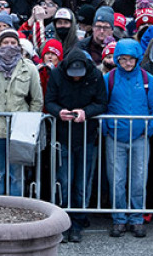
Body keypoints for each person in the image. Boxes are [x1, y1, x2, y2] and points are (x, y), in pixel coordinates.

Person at [102, 38, 153, 239]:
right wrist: (107, 130)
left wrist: (148, 130)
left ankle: (137, 218)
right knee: (116, 180)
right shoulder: (109, 78)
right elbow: (102, 106)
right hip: (116, 137)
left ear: (137, 59)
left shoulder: (148, 79)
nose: (128, 64)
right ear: (117, 59)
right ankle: (119, 219)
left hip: (140, 138)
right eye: (123, 59)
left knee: (139, 180)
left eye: (131, 59)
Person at [46, 48, 108, 242]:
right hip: (63, 135)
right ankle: (63, 222)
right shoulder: (57, 73)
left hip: (87, 136)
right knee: (64, 181)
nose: (76, 79)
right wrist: (59, 112)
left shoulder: (95, 75)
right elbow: (49, 101)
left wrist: (86, 112)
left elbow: (102, 103)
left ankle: (78, 223)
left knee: (82, 182)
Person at [0, 28, 42, 197]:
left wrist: (28, 124)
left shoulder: (29, 68)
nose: (9, 46)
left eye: (13, 43)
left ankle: (16, 213)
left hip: (19, 131)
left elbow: (37, 100)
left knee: (17, 176)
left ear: (18, 46)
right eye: (5, 42)